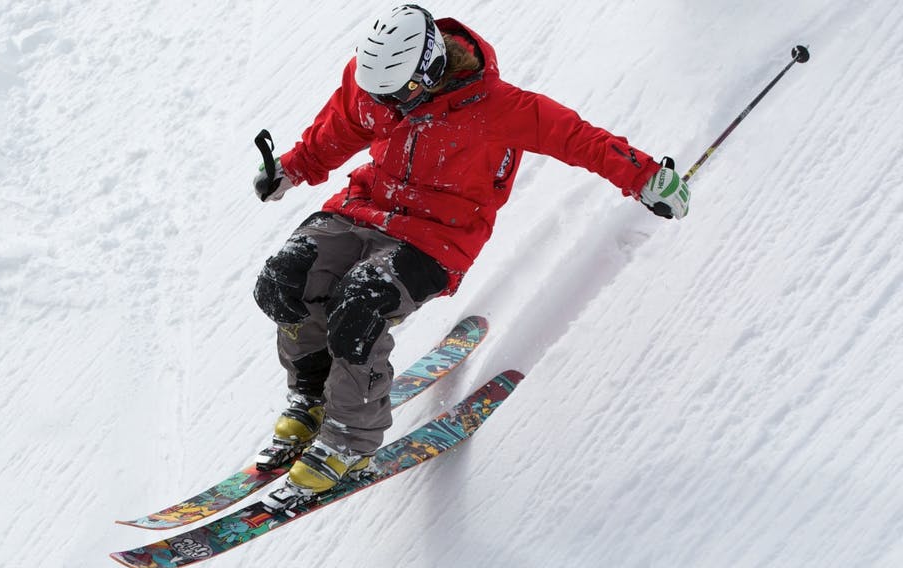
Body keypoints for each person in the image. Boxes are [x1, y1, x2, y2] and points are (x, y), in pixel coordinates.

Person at [251, 4, 690, 503]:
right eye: (379, 94)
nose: (387, 105)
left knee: (359, 305)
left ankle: (350, 439)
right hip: (365, 208)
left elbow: (580, 140)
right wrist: (292, 167)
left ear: (430, 68)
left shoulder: (500, 108)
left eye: (397, 94)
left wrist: (645, 176)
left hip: (436, 237)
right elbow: (344, 124)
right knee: (283, 280)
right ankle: (313, 393)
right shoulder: (377, 81)